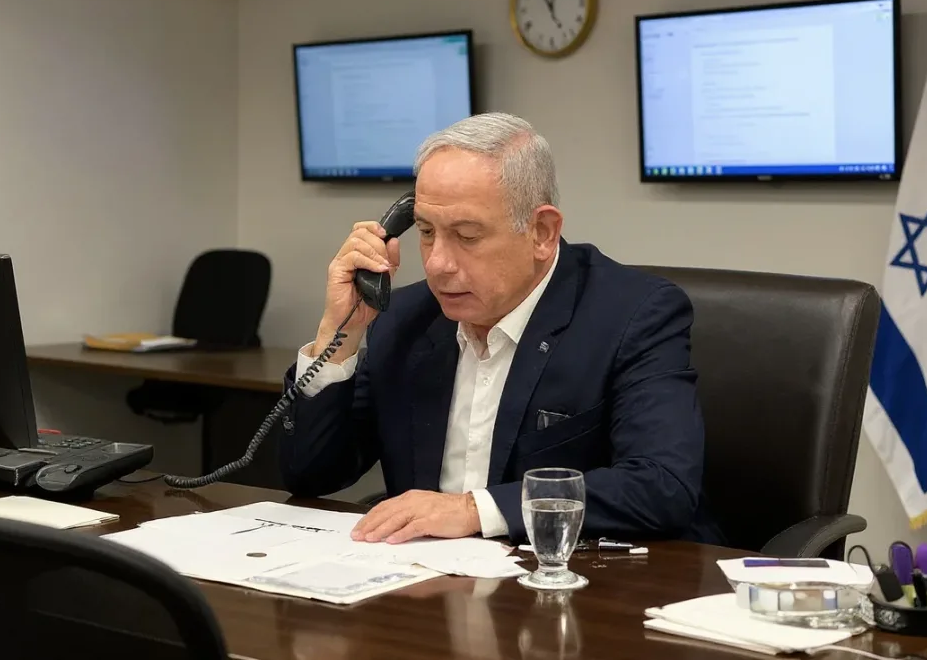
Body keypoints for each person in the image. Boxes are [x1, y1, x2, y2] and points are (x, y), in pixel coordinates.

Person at [280, 112, 721, 546]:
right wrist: (338, 335)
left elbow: (661, 485)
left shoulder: (633, 314)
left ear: (542, 232)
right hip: (424, 576)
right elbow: (311, 476)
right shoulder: (405, 317)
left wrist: (472, 511)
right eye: (426, 232)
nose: (437, 264)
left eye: (467, 236)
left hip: (578, 574)